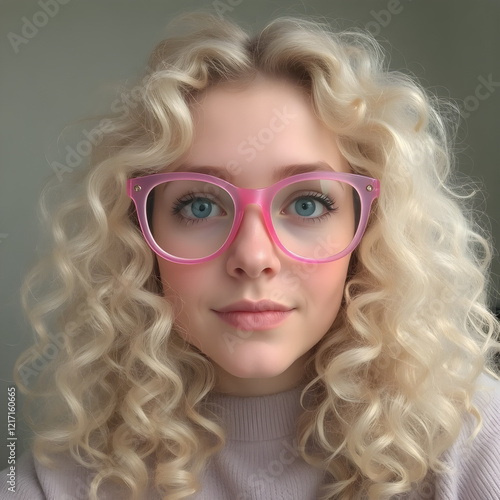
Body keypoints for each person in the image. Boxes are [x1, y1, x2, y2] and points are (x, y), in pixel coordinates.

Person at [2, 12, 500, 500]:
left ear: (370, 226)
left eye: (307, 204)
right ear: (140, 233)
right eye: (200, 205)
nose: (254, 257)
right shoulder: (54, 485)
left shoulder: (477, 444)